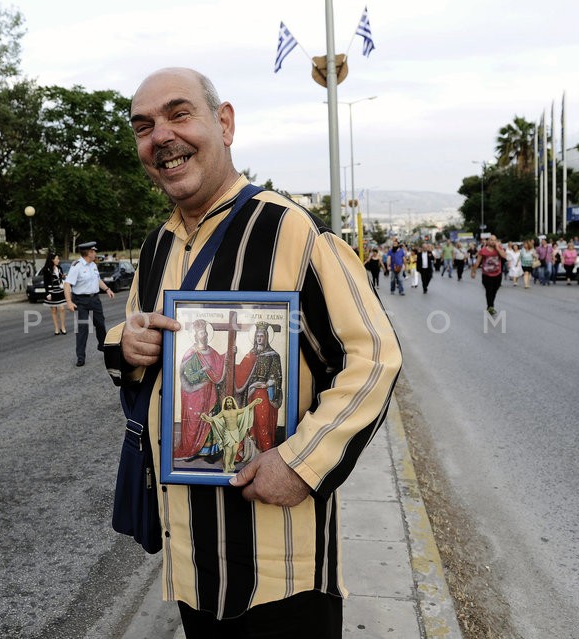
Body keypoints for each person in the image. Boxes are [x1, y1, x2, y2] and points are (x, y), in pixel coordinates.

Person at [104, 67, 401, 636]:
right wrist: (130, 343)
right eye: (144, 127)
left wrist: (302, 462)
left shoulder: (291, 230)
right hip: (191, 563)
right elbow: (133, 333)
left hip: (280, 569)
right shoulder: (157, 245)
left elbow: (374, 356)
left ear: (225, 123)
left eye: (178, 114)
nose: (160, 136)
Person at [176, 319, 227, 459]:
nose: (203, 335)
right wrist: (202, 371)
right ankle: (193, 449)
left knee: (210, 417)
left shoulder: (211, 351)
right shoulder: (190, 353)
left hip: (210, 392)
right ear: (195, 335)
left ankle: (210, 451)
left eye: (205, 332)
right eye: (200, 333)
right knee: (196, 420)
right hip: (195, 395)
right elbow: (187, 376)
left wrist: (228, 355)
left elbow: (219, 363)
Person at [233, 322, 283, 452]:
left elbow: (277, 376)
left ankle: (265, 451)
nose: (259, 338)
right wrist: (231, 355)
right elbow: (240, 371)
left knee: (262, 422)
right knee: (249, 422)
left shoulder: (273, 355)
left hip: (264, 393)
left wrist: (266, 384)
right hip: (249, 393)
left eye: (261, 336)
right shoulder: (251, 354)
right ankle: (250, 452)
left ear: (266, 337)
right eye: (257, 336)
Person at [63, 241, 115, 366]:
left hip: (94, 299)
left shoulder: (93, 265)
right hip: (80, 301)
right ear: (89, 253)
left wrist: (107, 289)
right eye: (94, 251)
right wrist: (69, 302)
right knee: (82, 329)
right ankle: (80, 357)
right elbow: (67, 284)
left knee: (100, 325)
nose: (95, 253)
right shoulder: (77, 266)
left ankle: (103, 348)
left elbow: (97, 280)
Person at [471, 234, 507, 315]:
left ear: (496, 241)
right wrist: (473, 271)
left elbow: (504, 256)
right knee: (489, 290)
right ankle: (490, 306)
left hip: (497, 274)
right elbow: (477, 262)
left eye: (494, 240)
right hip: (486, 275)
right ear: (488, 241)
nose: (492, 241)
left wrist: (497, 248)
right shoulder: (483, 251)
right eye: (491, 240)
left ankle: (490, 305)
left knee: (495, 290)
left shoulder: (499, 248)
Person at [42, 253, 68, 334]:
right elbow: (45, 283)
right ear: (52, 260)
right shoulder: (46, 270)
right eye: (57, 259)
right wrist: (47, 294)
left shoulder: (59, 268)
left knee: (62, 308)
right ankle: (56, 328)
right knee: (53, 310)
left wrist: (62, 277)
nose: (58, 260)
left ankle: (62, 327)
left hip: (60, 291)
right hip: (51, 292)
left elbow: (60, 279)